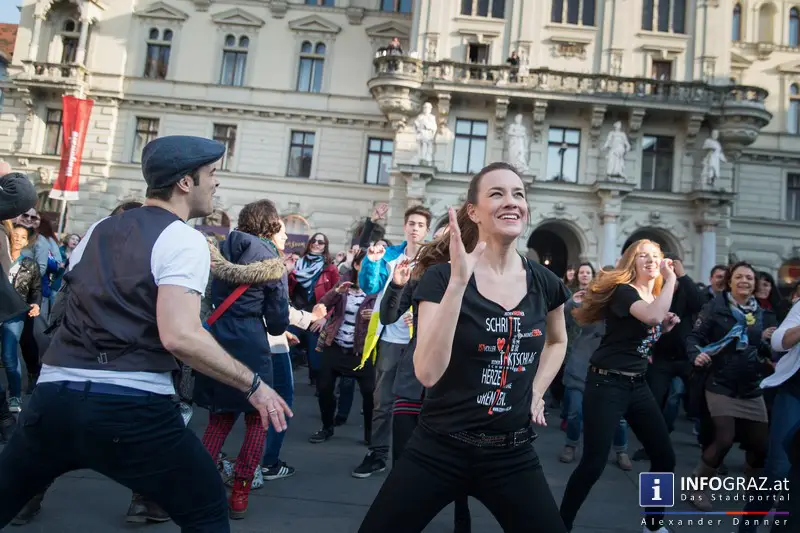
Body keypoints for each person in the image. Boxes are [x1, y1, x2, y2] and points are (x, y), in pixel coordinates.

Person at [0, 136, 292, 532]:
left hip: (54, 397)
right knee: (207, 508)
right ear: (185, 183)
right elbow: (180, 336)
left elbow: (70, 307)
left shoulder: (99, 228)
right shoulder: (183, 237)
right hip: (130, 403)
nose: (216, 183)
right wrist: (254, 384)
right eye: (212, 174)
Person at [358, 162, 570, 533]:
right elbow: (426, 371)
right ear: (473, 211)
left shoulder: (545, 283)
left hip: (511, 452)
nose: (512, 202)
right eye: (497, 193)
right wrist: (459, 283)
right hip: (440, 447)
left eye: (518, 194)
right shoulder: (442, 278)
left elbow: (557, 340)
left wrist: (536, 390)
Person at [560, 240, 679, 533]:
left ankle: (653, 525)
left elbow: (639, 340)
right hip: (606, 383)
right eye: (643, 256)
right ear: (632, 262)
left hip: (637, 385)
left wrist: (662, 329)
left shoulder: (652, 294)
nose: (650, 261)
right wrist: (673, 279)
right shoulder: (624, 292)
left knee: (665, 457)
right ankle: (560, 524)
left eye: (655, 256)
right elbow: (651, 317)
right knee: (593, 464)